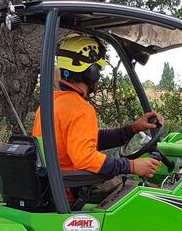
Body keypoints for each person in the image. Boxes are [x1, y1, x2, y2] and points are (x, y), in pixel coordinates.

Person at [33, 35, 162, 203]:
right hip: (73, 192)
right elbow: (85, 158)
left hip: (54, 188)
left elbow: (88, 140)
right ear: (92, 74)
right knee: (152, 195)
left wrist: (133, 128)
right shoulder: (80, 109)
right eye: (98, 70)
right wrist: (131, 166)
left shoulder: (51, 103)